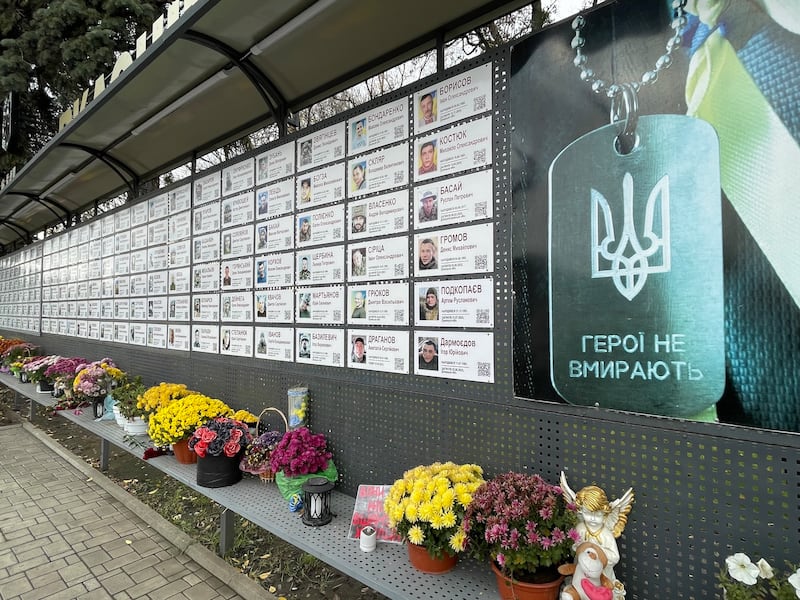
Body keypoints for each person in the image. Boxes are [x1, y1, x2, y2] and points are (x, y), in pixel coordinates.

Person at [560, 472, 634, 593]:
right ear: (580, 511)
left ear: (605, 513)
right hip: (580, 572)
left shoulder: (606, 534)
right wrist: (577, 549)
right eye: (588, 513)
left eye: (598, 515)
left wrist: (597, 557)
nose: (593, 519)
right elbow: (573, 547)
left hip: (601, 574)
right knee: (577, 589)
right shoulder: (580, 528)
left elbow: (615, 556)